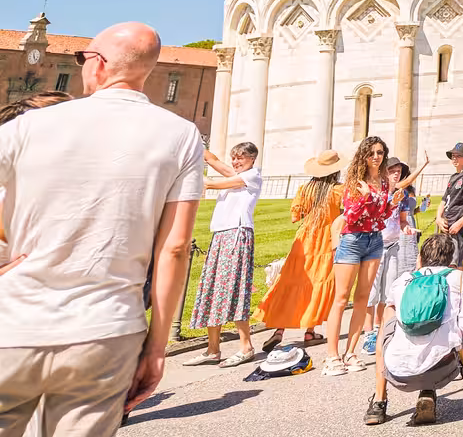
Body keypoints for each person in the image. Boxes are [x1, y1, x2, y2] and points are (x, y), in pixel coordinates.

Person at [0, 22, 203, 434]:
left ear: (98, 63)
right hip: (108, 329)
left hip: (15, 321)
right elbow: (176, 249)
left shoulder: (29, 126)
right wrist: (158, 347)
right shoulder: (182, 135)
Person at [365, 229, 463, 427]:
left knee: (388, 320)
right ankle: (427, 390)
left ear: (420, 258)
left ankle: (379, 400)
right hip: (443, 366)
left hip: (397, 371)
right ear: (451, 260)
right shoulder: (461, 279)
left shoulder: (403, 281)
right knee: (443, 336)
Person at [322, 136, 398, 374]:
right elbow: (352, 216)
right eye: (372, 153)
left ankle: (351, 352)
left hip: (374, 239)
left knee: (363, 297)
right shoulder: (354, 181)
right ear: (363, 156)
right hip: (352, 239)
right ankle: (332, 356)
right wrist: (369, 198)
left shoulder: (384, 182)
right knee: (342, 297)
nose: (376, 157)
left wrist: (391, 203)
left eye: (380, 152)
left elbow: (381, 215)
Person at [189, 142, 264, 367]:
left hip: (238, 234)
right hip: (220, 235)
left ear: (252, 159)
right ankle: (212, 349)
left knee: (234, 288)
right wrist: (192, 142)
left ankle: (246, 346)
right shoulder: (237, 174)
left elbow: (214, 183)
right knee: (213, 288)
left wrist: (198, 181)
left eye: (241, 158)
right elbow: (213, 161)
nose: (235, 162)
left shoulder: (253, 176)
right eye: (234, 158)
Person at [260, 154, 345, 348]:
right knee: (319, 283)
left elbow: (296, 216)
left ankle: (279, 329)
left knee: (292, 283)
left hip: (305, 239)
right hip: (326, 240)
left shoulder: (305, 189)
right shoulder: (338, 190)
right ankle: (310, 331)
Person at [365, 158, 427, 357]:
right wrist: (423, 165)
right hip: (375, 246)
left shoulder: (401, 196)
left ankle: (381, 329)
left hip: (392, 245)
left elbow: (401, 221)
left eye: (399, 171)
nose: (396, 174)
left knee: (388, 290)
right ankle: (368, 334)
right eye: (393, 171)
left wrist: (407, 228)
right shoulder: (379, 193)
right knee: (371, 293)